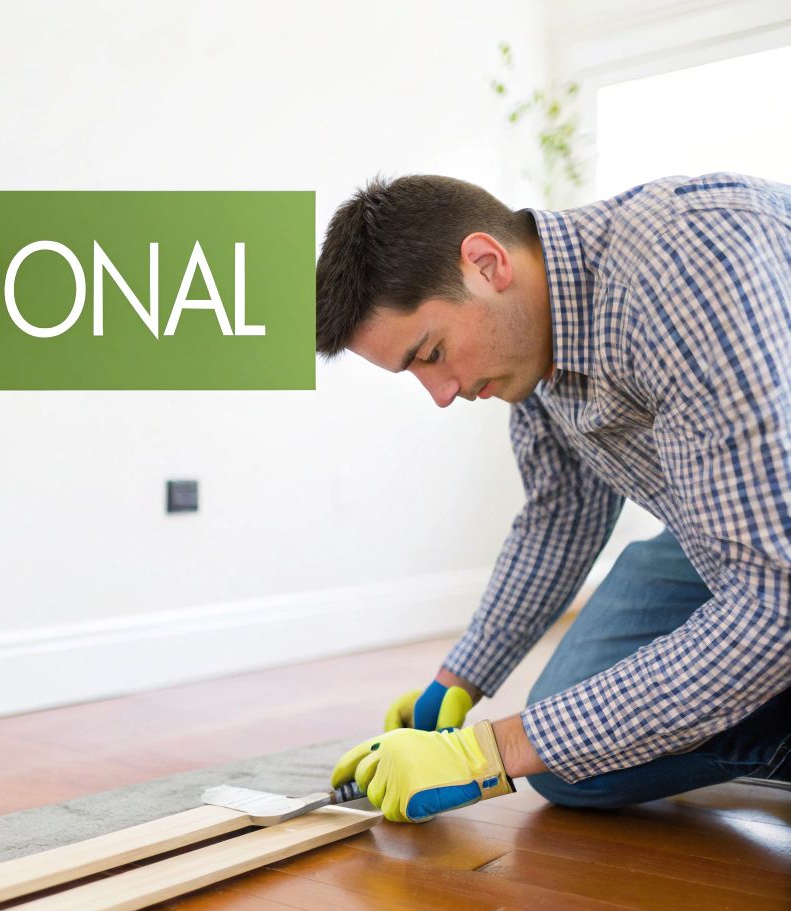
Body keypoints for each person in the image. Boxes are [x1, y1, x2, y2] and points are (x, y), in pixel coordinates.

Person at [314, 172, 791, 823]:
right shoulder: (535, 352)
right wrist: (457, 684)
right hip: (733, 536)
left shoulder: (683, 266)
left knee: (555, 741)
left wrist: (487, 754)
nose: (442, 393)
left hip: (775, 568)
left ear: (487, 263)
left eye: (432, 352)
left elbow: (775, 600)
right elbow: (559, 521)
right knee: (573, 767)